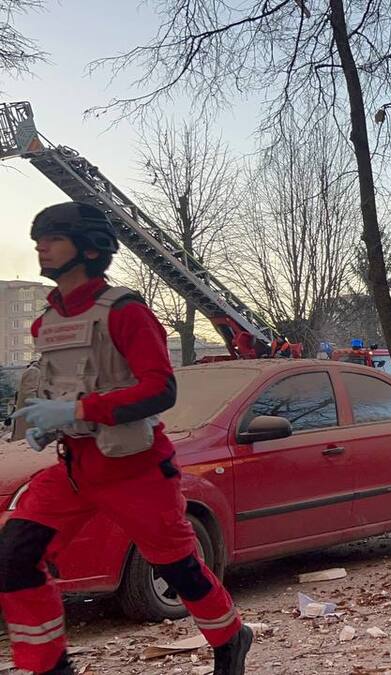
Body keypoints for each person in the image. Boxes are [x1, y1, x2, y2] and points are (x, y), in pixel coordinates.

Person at [1, 203, 252, 675]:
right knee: (14, 556)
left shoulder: (126, 312)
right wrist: (48, 422)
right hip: (74, 468)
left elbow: (161, 389)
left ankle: (230, 637)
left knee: (178, 569)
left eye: (54, 237)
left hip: (135, 470)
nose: (41, 245)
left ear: (90, 247)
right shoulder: (45, 324)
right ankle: (49, 667)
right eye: (39, 236)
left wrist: (77, 410)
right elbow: (67, 387)